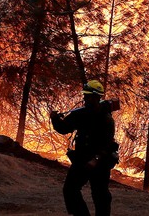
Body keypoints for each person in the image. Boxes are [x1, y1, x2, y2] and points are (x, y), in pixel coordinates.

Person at [50, 80, 119, 216]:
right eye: (85, 95)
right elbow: (64, 128)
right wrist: (55, 119)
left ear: (97, 97)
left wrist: (95, 160)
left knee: (100, 195)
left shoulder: (106, 119)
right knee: (70, 189)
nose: (85, 98)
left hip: (100, 163)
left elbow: (107, 144)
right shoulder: (80, 114)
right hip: (82, 159)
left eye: (89, 96)